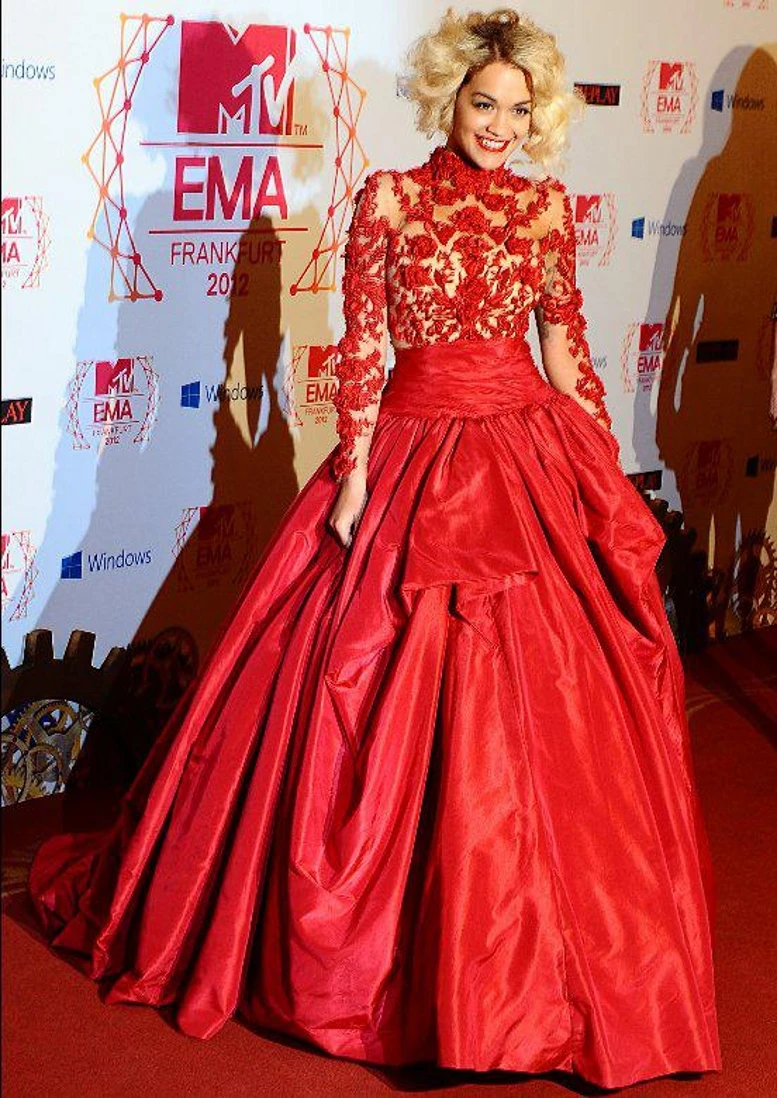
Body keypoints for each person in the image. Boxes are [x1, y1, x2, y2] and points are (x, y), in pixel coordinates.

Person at [28, 7, 722, 1090]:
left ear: (537, 114)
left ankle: (533, 979)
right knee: (362, 687)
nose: (498, 126)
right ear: (448, 98)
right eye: (481, 104)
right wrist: (354, 469)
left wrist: (592, 462)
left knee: (548, 714)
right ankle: (394, 971)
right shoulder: (391, 197)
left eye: (517, 109)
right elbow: (361, 344)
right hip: (407, 448)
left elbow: (564, 343)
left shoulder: (544, 212)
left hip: (525, 452)